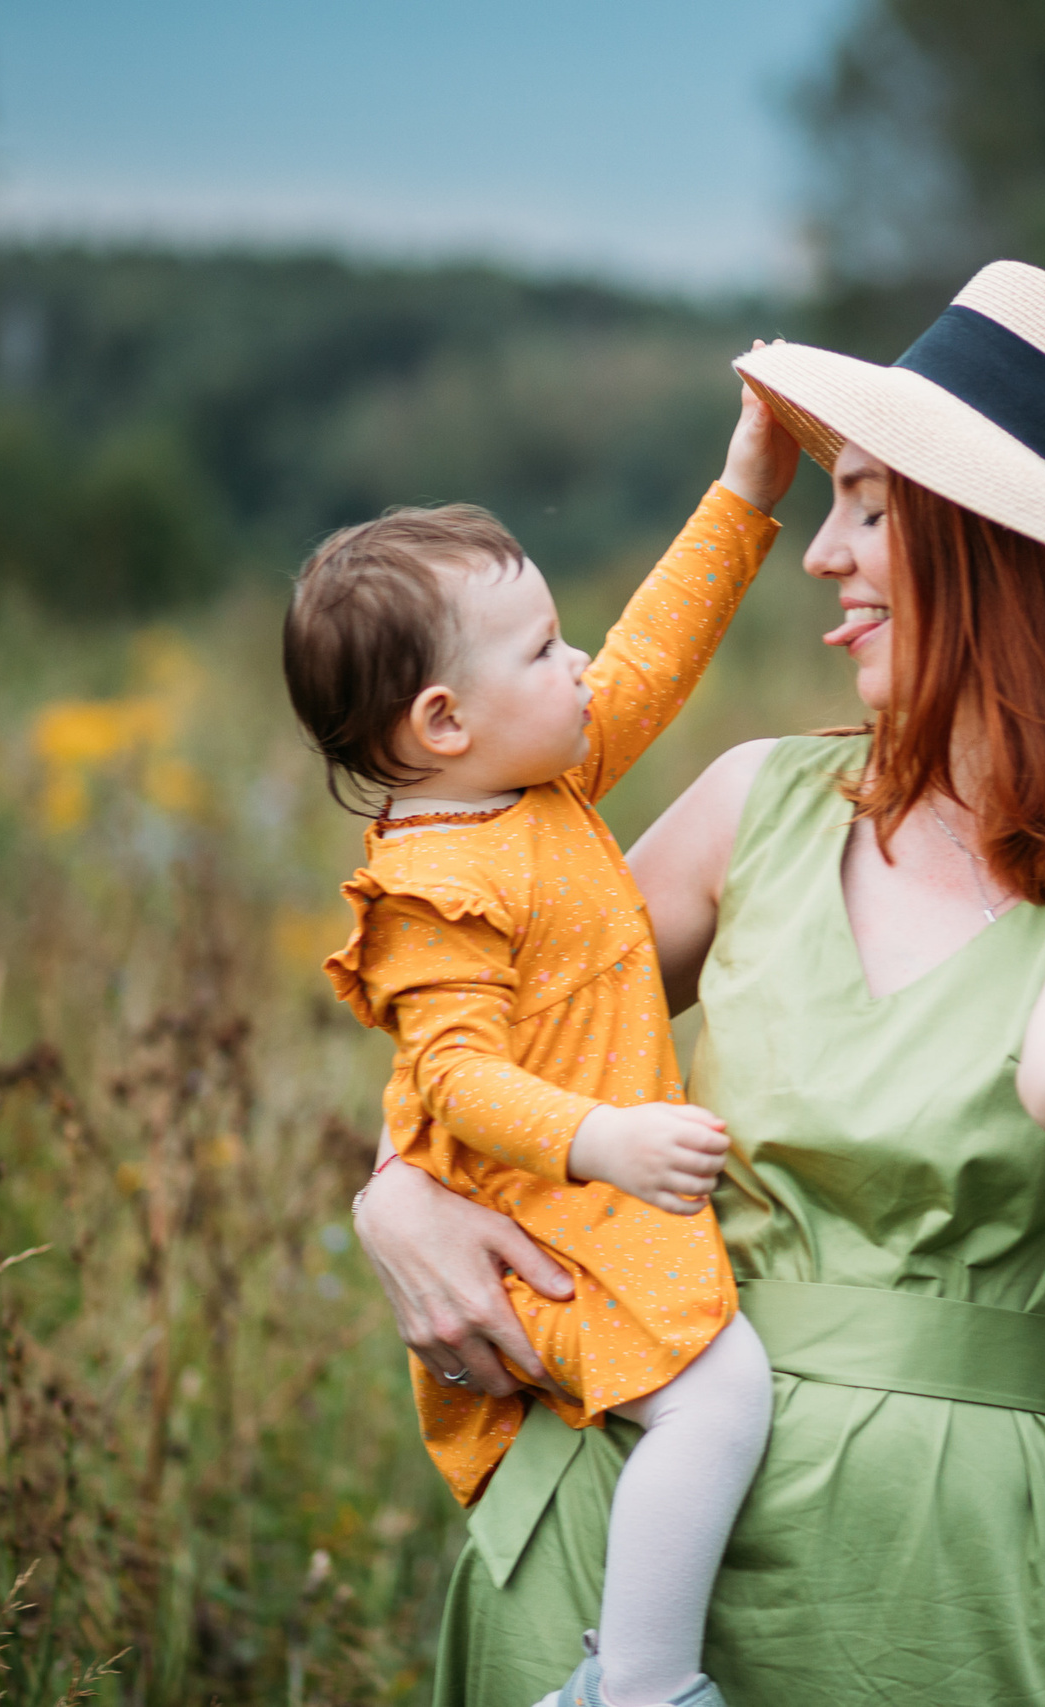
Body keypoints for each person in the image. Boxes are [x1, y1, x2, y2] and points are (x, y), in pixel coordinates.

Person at [353, 261, 1045, 1705]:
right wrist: (395, 1197)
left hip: (921, 1575)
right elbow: (477, 1034)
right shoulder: (760, 807)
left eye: (868, 508)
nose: (822, 556)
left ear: (1004, 550)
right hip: (615, 1527)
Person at [285, 370, 803, 1707]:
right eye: (542, 650)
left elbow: (652, 658)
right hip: (544, 1221)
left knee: (712, 1395)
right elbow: (455, 1081)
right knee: (717, 1397)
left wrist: (745, 490)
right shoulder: (434, 886)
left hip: (587, 1200)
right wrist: (606, 1140)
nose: (579, 668)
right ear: (443, 723)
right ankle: (638, 1686)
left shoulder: (535, 783)